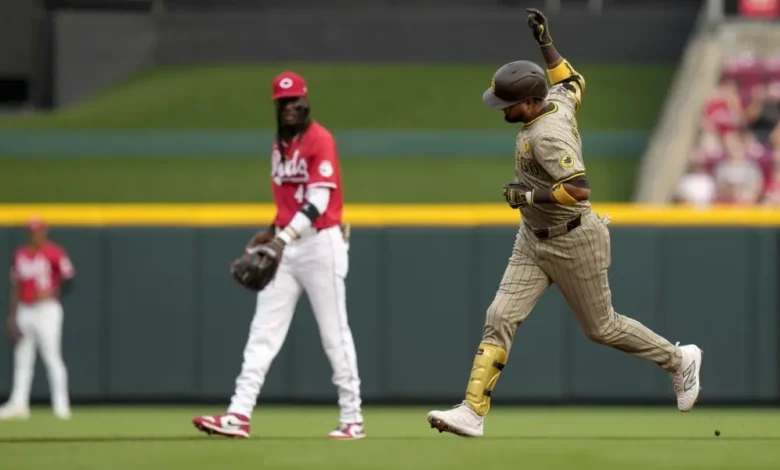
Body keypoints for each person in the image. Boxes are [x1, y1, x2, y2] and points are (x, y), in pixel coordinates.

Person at [426, 9, 703, 438]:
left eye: (509, 102)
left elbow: (579, 188)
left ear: (532, 103)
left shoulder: (547, 134)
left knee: (602, 328)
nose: (502, 108)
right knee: (499, 314)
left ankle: (678, 358)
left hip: (573, 238)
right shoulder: (554, 99)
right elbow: (573, 81)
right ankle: (472, 411)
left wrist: (527, 195)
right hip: (532, 239)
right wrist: (545, 42)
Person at [193, 71, 365, 440]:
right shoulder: (280, 145)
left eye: (295, 100)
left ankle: (353, 419)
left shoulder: (321, 140)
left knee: (334, 334)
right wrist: (273, 231)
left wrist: (281, 238)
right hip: (286, 245)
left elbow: (318, 200)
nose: (289, 107)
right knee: (262, 333)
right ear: (276, 106)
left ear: (306, 103)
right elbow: (289, 201)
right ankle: (239, 414)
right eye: (283, 102)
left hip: (321, 245)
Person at [0, 218, 75, 420]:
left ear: (44, 232)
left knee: (52, 356)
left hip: (47, 310)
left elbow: (69, 280)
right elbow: (15, 286)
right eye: (32, 231)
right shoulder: (20, 255)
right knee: (22, 359)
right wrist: (12, 315)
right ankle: (18, 404)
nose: (35, 234)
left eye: (38, 231)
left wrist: (52, 293)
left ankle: (61, 405)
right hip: (25, 309)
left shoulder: (54, 252)